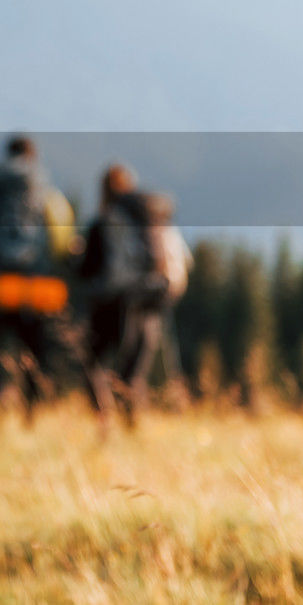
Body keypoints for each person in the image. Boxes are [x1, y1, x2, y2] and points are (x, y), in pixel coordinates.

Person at [0, 135, 75, 411]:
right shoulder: (44, 189)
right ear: (33, 156)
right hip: (33, 282)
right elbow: (62, 235)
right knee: (35, 348)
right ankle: (31, 406)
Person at [77, 164, 190, 429]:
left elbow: (87, 268)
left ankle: (104, 419)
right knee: (133, 370)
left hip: (116, 300)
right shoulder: (153, 215)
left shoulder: (105, 222)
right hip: (155, 297)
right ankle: (132, 423)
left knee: (93, 361)